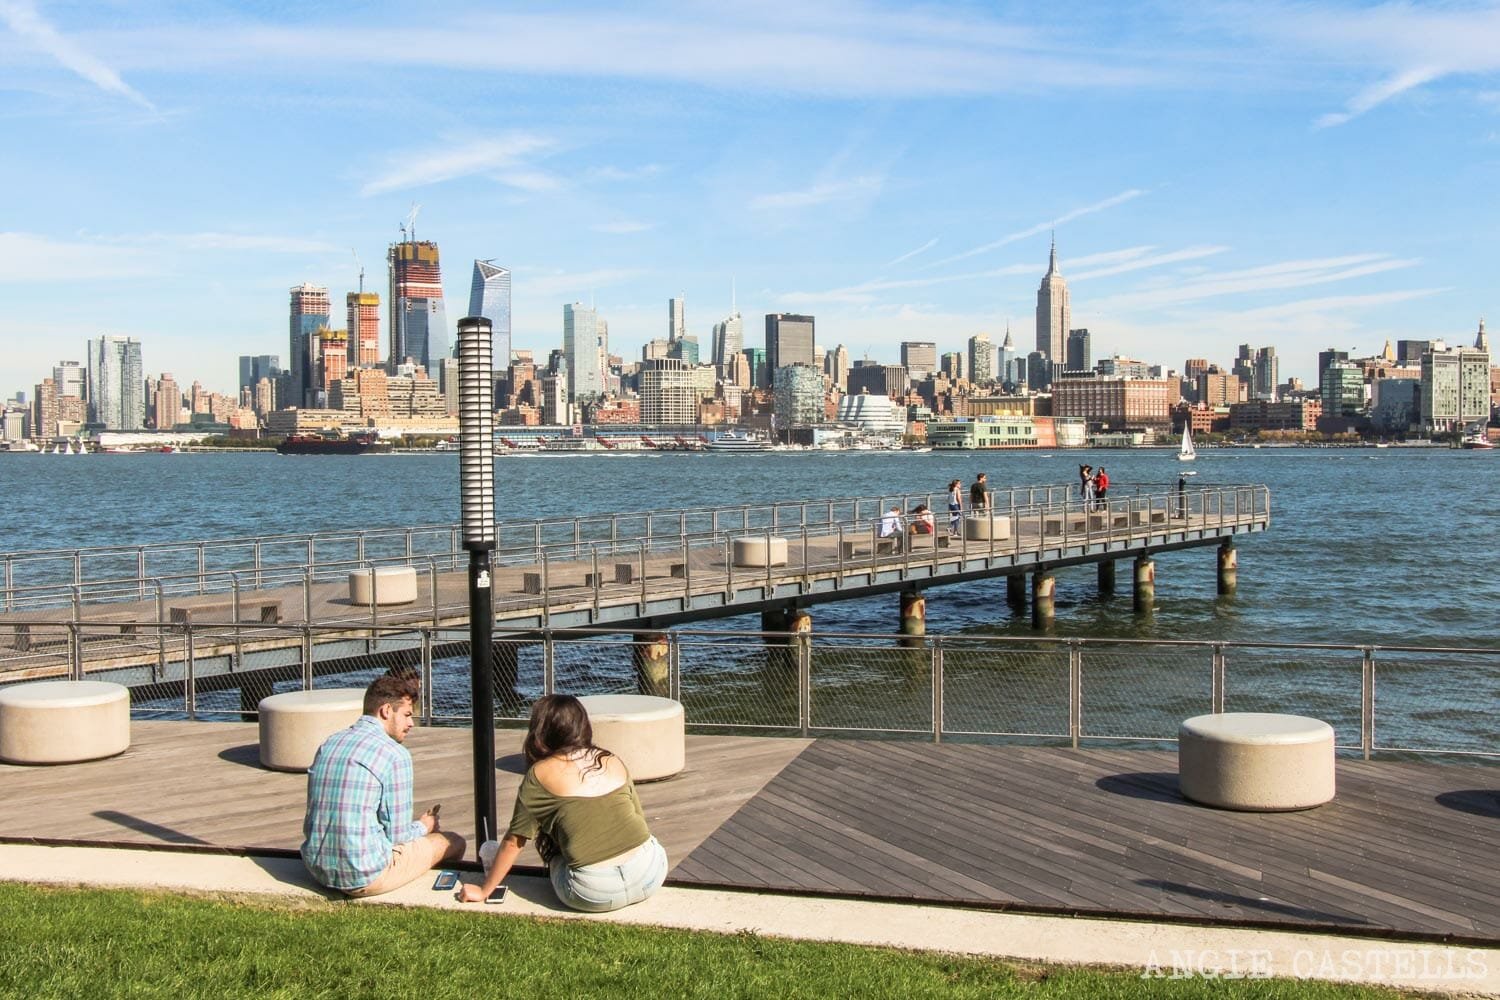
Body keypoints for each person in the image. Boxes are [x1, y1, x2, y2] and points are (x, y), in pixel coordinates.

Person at [460, 695, 667, 912]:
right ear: (583, 725)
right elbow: (639, 818)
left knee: (556, 857)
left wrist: (484, 890)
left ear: (539, 731)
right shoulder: (610, 759)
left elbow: (514, 843)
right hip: (650, 873)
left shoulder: (539, 775)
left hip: (594, 892)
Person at [301, 671, 465, 897]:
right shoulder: (395, 755)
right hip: (364, 875)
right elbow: (398, 836)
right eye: (407, 715)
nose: (411, 723)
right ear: (386, 711)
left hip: (316, 868)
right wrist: (424, 826)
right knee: (453, 842)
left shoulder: (330, 743)